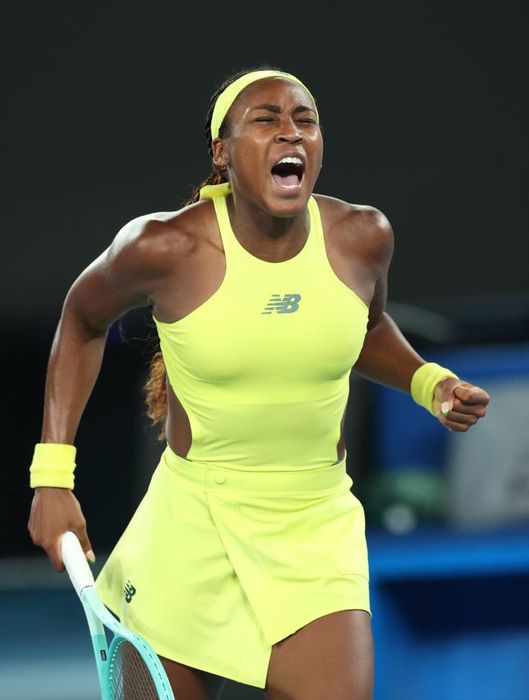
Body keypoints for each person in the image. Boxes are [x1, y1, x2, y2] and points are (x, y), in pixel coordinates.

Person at [28, 67, 490, 700]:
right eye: (266, 120)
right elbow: (81, 319)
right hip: (191, 526)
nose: (289, 133)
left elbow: (366, 326)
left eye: (304, 120)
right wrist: (52, 478)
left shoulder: (362, 238)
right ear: (222, 152)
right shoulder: (164, 247)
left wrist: (428, 382)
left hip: (314, 527)